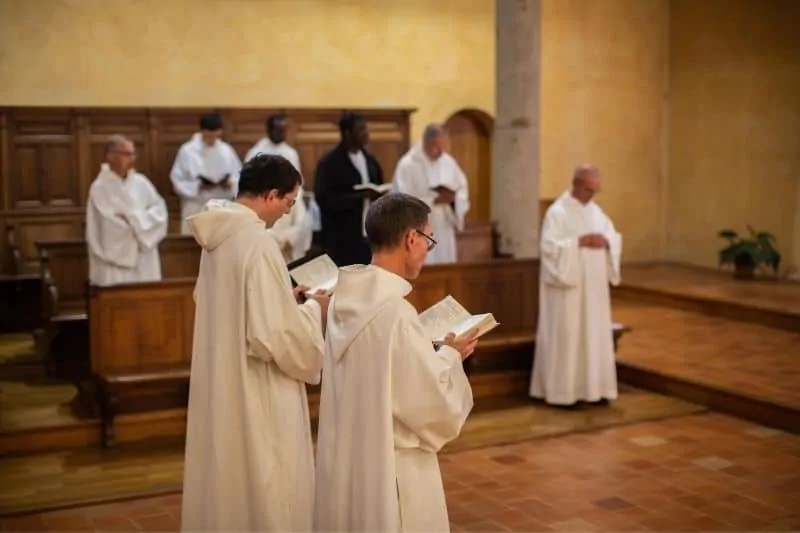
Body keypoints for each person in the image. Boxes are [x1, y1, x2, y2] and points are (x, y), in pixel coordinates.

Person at [181, 154, 329, 532]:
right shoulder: (257, 242)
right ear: (272, 194)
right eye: (289, 202)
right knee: (267, 478)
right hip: (256, 382)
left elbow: (240, 309)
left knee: (233, 475)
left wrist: (285, 298)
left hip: (226, 375)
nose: (286, 212)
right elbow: (275, 336)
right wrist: (315, 309)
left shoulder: (217, 238)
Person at [313, 193, 477, 533]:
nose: (427, 252)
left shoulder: (344, 299)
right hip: (393, 466)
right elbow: (426, 401)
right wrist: (450, 354)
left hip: (350, 457)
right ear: (411, 238)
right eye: (428, 241)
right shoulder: (395, 313)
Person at [529, 165, 622, 407]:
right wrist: (579, 242)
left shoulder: (596, 212)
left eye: (595, 190)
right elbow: (548, 248)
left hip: (594, 291)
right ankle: (564, 394)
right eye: (589, 189)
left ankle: (595, 389)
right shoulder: (557, 213)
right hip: (567, 293)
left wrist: (607, 242)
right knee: (569, 337)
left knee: (594, 335)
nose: (592, 194)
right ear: (577, 184)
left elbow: (613, 236)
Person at [86, 134, 168, 286]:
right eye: (126, 154)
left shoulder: (142, 183)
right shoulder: (100, 188)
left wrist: (131, 218)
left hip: (144, 257)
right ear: (110, 156)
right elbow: (108, 225)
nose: (131, 159)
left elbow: (160, 212)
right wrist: (140, 223)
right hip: (115, 260)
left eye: (133, 154)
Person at [314, 112, 385, 266]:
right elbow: (324, 199)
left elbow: (378, 185)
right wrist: (359, 197)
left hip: (368, 237)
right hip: (341, 239)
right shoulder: (329, 163)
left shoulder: (370, 161)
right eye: (361, 130)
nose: (366, 134)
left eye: (366, 129)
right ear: (347, 133)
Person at [392, 124, 470, 264]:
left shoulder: (448, 162)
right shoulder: (408, 165)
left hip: (443, 228)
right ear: (425, 142)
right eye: (436, 147)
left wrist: (453, 200)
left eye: (443, 147)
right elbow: (401, 199)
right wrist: (433, 200)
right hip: (418, 229)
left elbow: (461, 188)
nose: (440, 152)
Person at [245, 114, 312, 261]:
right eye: (278, 130)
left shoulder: (290, 152)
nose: (282, 134)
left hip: (288, 204)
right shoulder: (256, 153)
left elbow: (298, 183)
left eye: (284, 130)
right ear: (269, 130)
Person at [170, 112, 242, 234]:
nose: (213, 136)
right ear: (203, 131)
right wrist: (197, 186)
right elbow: (177, 178)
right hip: (197, 205)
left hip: (222, 205)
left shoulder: (226, 151)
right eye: (210, 132)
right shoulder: (187, 151)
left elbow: (239, 175)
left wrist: (230, 183)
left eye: (216, 132)